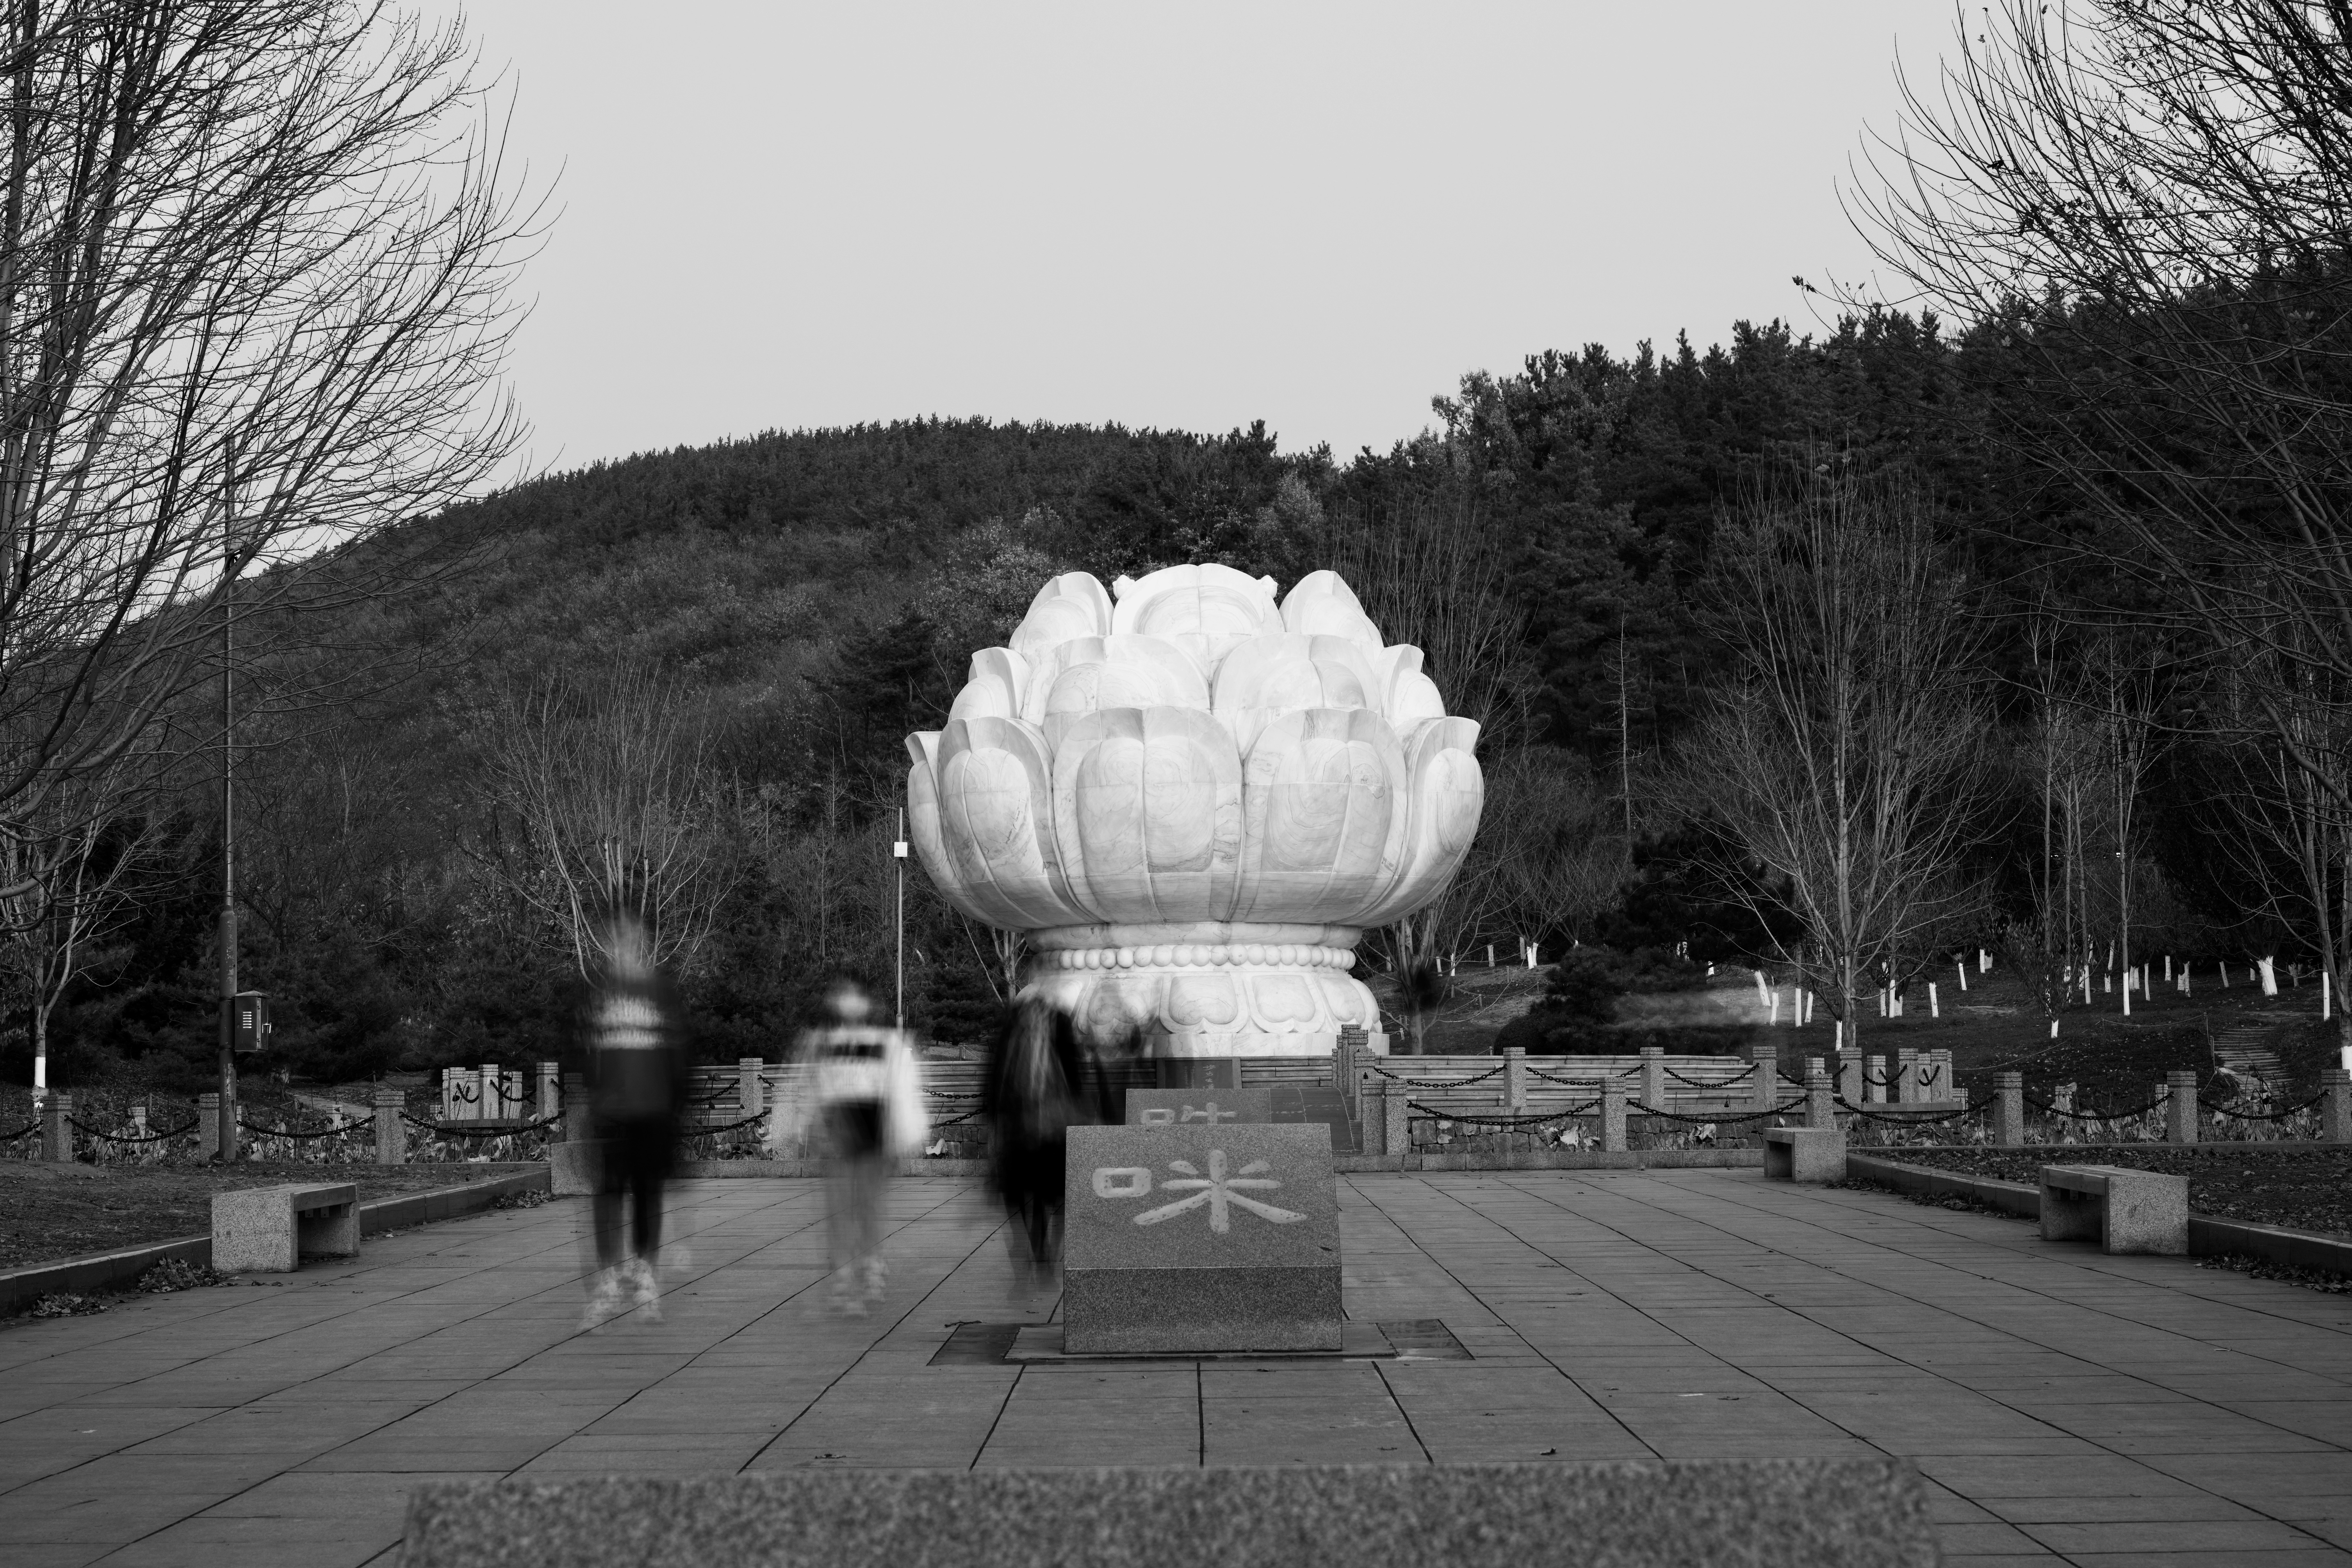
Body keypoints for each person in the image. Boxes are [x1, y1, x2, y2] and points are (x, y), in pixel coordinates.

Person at [577, 902, 692, 1331]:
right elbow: (586, 1054)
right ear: (610, 944)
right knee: (608, 1198)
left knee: (647, 1196)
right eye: (616, 938)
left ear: (641, 942)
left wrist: (676, 1112)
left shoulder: (661, 994)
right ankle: (608, 1281)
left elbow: (680, 1057)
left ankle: (645, 1275)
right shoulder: (599, 995)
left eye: (630, 937)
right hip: (613, 1116)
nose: (623, 945)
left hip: (653, 1113)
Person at [788, 980, 924, 1314]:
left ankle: (870, 1265)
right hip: (838, 1134)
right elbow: (808, 1083)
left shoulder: (885, 1042)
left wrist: (901, 1135)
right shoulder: (822, 1043)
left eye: (853, 996)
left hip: (871, 1133)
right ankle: (846, 1277)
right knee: (841, 1209)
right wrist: (803, 1125)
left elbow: (900, 1088)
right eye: (842, 995)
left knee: (867, 1206)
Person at [983, 991, 1112, 1296]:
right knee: (1023, 1196)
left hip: (1047, 1124)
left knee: (1041, 1195)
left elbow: (1073, 1072)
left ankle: (1040, 1255)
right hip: (1025, 1124)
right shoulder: (1022, 1027)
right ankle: (1033, 1254)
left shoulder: (1048, 1025)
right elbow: (996, 1076)